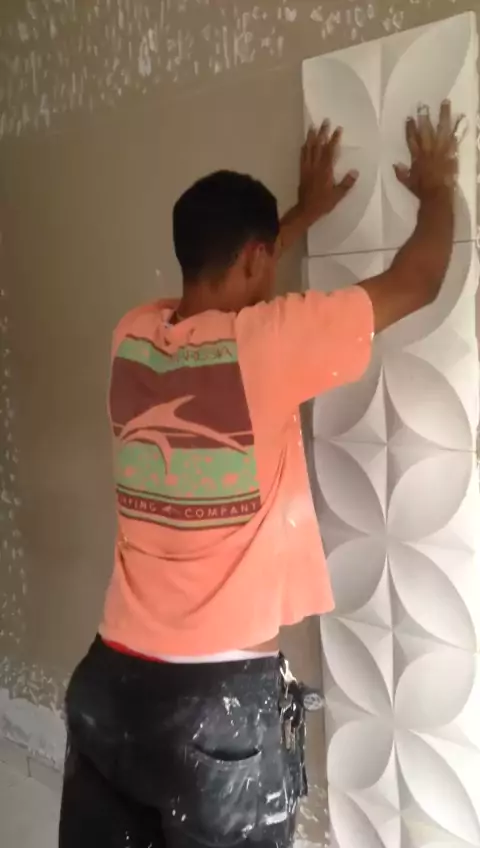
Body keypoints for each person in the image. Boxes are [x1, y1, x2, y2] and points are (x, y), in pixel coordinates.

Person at [59, 100, 460, 848]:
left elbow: (231, 293)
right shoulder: (268, 346)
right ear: (254, 257)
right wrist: (437, 188)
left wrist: (295, 218)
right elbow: (420, 280)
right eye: (266, 258)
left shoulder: (133, 336)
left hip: (108, 688)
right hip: (211, 712)